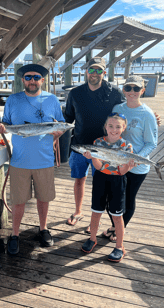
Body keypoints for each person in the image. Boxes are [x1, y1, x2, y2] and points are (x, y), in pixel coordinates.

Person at [0, 64, 65, 255]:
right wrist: (1, 127)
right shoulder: (13, 100)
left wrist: (57, 134)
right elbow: (7, 123)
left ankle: (43, 229)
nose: (32, 80)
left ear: (42, 80)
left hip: (45, 160)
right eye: (28, 77)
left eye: (36, 77)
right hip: (19, 161)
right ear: (22, 80)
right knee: (18, 201)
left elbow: (58, 126)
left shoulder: (52, 99)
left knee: (44, 199)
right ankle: (14, 234)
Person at [64, 57, 126, 226]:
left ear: (104, 73)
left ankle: (97, 220)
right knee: (79, 179)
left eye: (99, 70)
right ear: (86, 71)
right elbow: (66, 119)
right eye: (92, 69)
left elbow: (126, 114)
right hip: (79, 146)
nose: (95, 73)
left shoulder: (114, 92)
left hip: (105, 148)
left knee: (102, 183)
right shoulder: (75, 93)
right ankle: (78, 211)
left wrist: (151, 118)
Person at [102, 75, 158, 242]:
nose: (131, 92)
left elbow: (151, 143)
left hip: (137, 167)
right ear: (124, 90)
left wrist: (134, 160)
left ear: (142, 90)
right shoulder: (118, 107)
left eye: (136, 88)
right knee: (110, 197)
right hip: (116, 163)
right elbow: (111, 128)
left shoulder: (147, 114)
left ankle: (120, 229)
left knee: (128, 198)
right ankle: (115, 225)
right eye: (128, 88)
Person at [81, 113, 135, 262]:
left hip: (117, 181)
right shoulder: (97, 142)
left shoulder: (126, 146)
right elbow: (98, 167)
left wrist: (129, 167)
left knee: (117, 216)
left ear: (123, 128)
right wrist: (93, 157)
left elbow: (121, 171)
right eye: (110, 126)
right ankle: (92, 239)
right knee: (96, 212)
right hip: (100, 179)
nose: (114, 129)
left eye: (118, 126)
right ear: (105, 127)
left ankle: (119, 246)